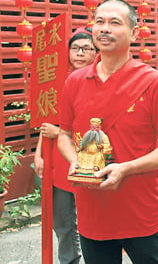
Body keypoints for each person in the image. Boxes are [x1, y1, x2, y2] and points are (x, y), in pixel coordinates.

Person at [57, 0, 158, 264]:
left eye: (115, 23)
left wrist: (126, 168)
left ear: (134, 33)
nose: (104, 29)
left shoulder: (154, 83)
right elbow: (64, 135)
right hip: (92, 210)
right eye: (100, 22)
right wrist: (75, 162)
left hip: (139, 209)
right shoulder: (75, 81)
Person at [34, 26, 97, 264]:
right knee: (61, 220)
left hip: (89, 155)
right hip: (57, 159)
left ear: (95, 51)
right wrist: (39, 155)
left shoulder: (99, 80)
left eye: (86, 48)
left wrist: (59, 131)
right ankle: (69, 260)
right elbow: (45, 120)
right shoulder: (58, 80)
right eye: (75, 48)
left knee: (91, 221)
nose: (79, 53)